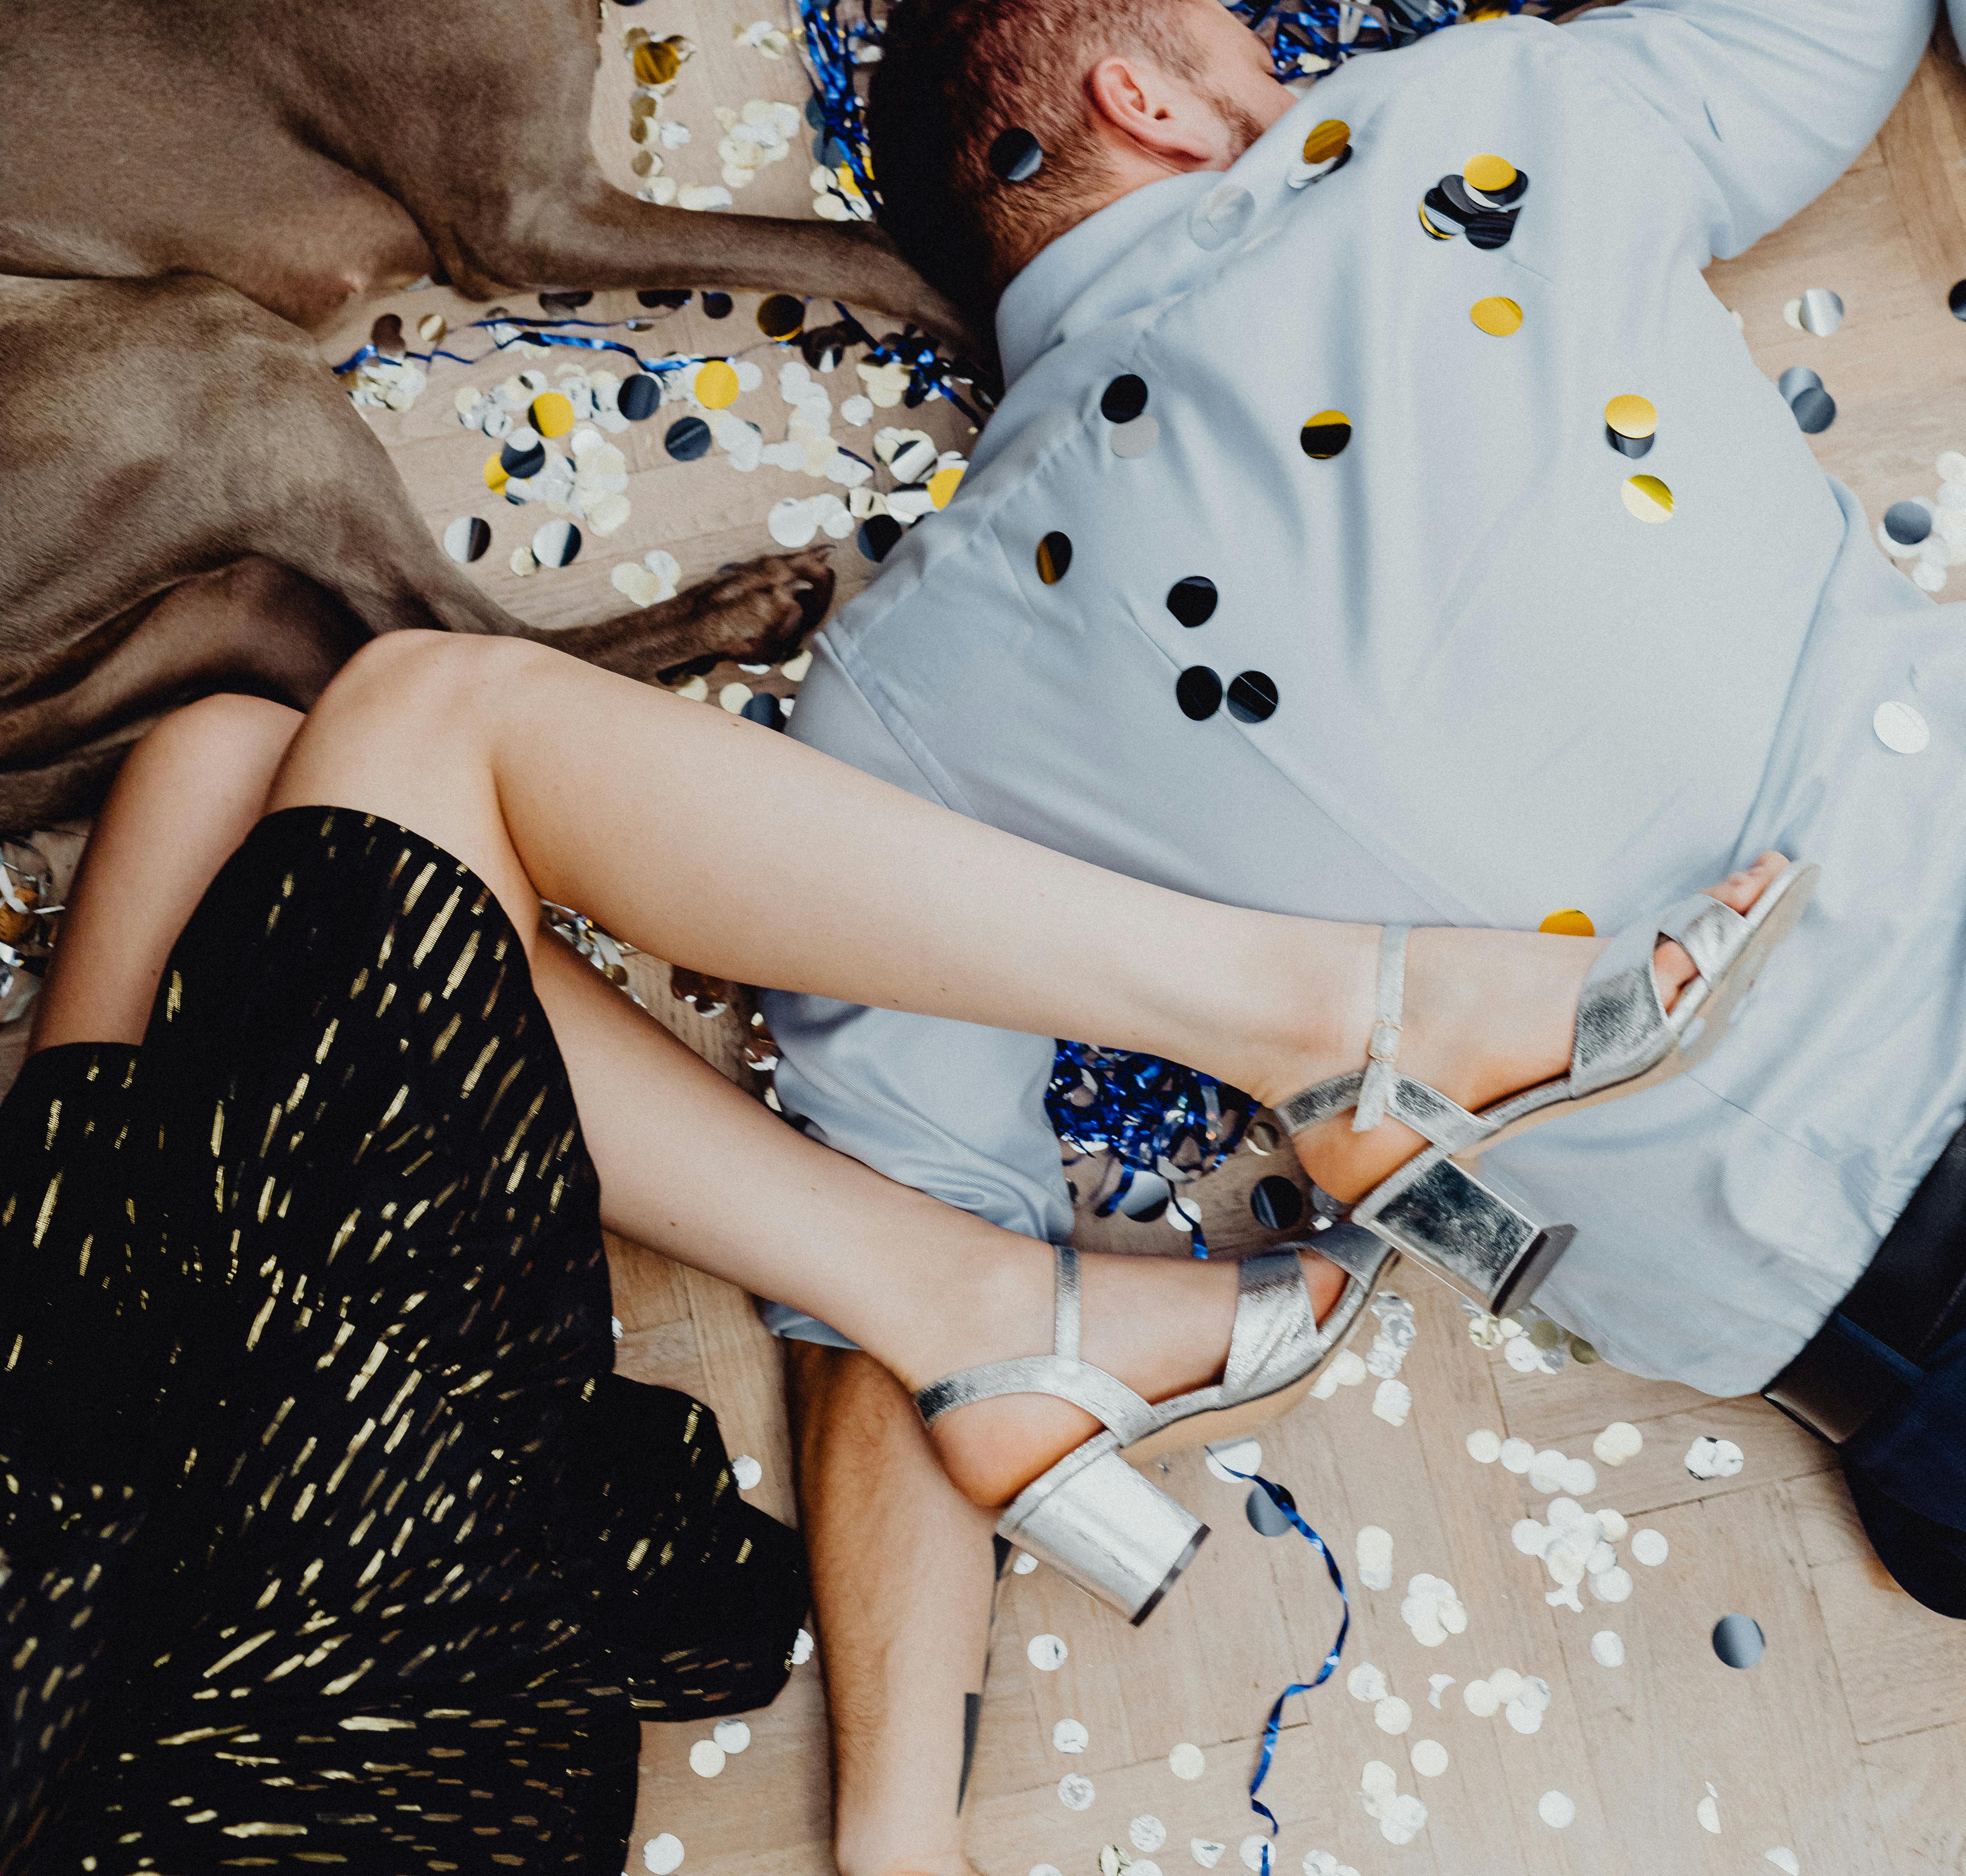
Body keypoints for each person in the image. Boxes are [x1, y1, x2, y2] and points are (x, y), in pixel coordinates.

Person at [760, 0, 1961, 1872]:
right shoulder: (1447, 132)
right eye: (1242, 43)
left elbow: (907, 1284)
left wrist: (894, 1829)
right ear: (1146, 97)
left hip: (1885, 1337)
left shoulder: (897, 708)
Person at [0, 631, 1770, 1871]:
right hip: (276, 1791)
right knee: (420, 724)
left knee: (231, 772)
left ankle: (982, 1312)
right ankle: (1336, 1030)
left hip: (72, 1630)